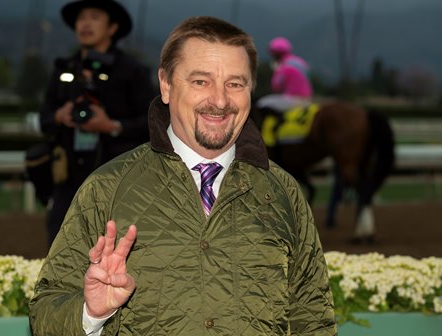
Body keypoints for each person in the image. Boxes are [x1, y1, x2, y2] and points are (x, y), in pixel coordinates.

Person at [29, 16, 337, 335]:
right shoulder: (106, 187)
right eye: (200, 81)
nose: (219, 101)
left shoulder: (284, 190)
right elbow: (45, 311)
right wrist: (90, 314)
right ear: (166, 85)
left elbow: (312, 314)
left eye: (235, 83)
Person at [39, 0, 157, 246]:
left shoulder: (132, 71)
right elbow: (44, 119)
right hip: (68, 179)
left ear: (112, 27)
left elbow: (153, 123)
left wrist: (111, 126)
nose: (85, 23)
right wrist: (60, 116)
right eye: (81, 18)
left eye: (94, 17)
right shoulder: (64, 69)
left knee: (118, 249)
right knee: (59, 246)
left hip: (118, 179)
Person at [257, 37, 313, 112]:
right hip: (308, 98)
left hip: (293, 99)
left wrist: (275, 70)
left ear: (276, 53)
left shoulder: (283, 66)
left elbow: (276, 86)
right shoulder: (300, 62)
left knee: (262, 103)